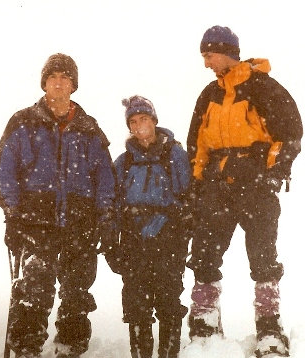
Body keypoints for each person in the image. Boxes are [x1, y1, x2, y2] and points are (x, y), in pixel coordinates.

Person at [185, 26, 303, 358]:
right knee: (205, 255)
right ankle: (205, 325)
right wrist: (196, 185)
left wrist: (274, 174)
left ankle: (269, 328)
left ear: (226, 51)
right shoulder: (209, 94)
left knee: (263, 258)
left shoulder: (262, 87)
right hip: (216, 187)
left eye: (209, 55)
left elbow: (290, 132)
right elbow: (197, 143)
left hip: (256, 186)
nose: (206, 63)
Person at [0, 53, 117, 358]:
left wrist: (107, 217)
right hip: (35, 221)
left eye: (65, 78)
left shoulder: (89, 128)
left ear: (73, 85)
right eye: (52, 77)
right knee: (33, 292)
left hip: (80, 222)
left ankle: (69, 351)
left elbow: (105, 176)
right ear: (44, 83)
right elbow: (4, 169)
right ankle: (26, 351)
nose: (58, 83)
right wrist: (13, 213)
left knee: (76, 294)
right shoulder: (23, 122)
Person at [107, 95, 192, 358]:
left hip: (169, 236)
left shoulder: (175, 154)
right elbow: (112, 203)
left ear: (154, 120)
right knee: (135, 303)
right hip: (133, 238)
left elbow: (188, 195)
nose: (138, 125)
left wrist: (177, 225)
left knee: (168, 299)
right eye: (133, 121)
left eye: (143, 118)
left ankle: (169, 354)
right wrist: (111, 241)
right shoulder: (124, 162)